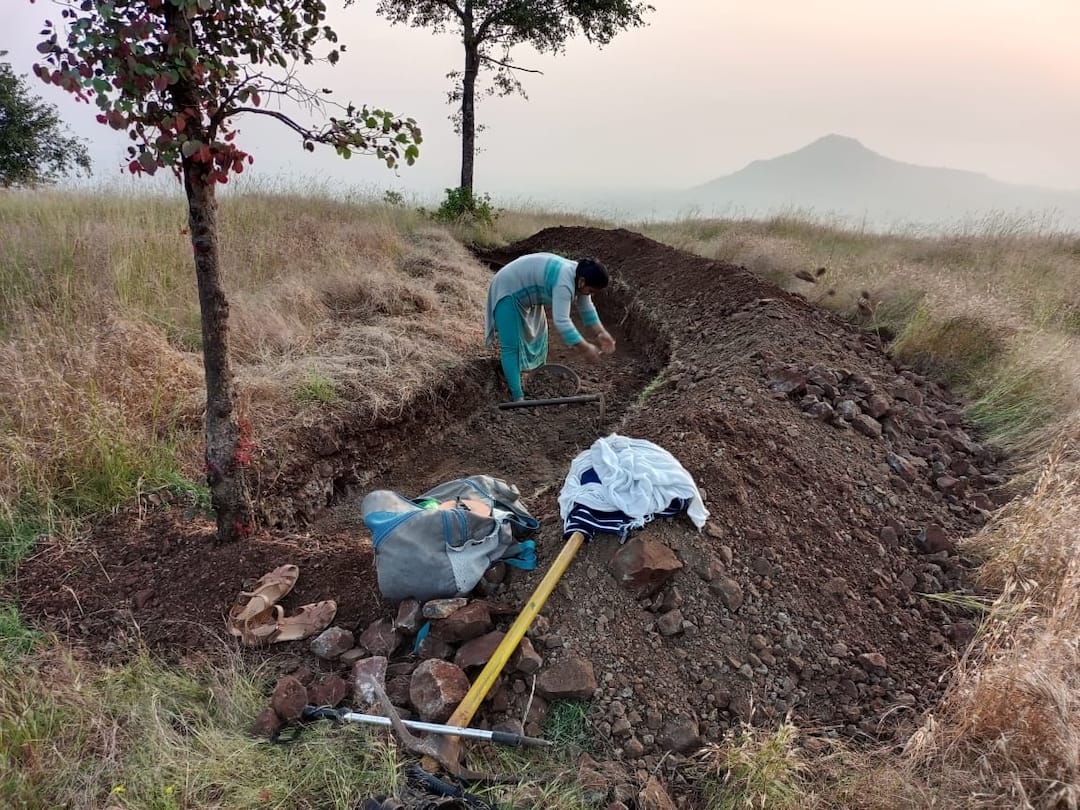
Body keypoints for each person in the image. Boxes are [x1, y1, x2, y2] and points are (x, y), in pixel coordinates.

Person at [484, 252, 616, 401]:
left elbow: (587, 307)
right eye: (591, 291)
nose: (590, 294)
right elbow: (562, 322)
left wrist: (602, 333)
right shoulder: (564, 282)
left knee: (540, 335)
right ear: (582, 282)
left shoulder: (580, 274)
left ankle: (539, 379)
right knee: (511, 346)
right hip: (508, 289)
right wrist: (585, 348)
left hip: (528, 294)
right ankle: (517, 396)